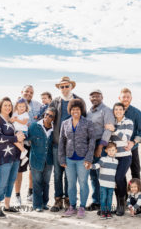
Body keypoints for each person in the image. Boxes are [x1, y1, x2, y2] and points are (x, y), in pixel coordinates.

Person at [49, 76, 86, 212]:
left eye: (66, 86)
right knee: (58, 174)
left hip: (73, 145)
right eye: (61, 86)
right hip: (57, 144)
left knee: (69, 175)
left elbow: (85, 121)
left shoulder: (79, 101)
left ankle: (69, 200)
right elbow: (48, 117)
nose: (64, 89)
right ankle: (58, 200)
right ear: (59, 88)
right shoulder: (55, 101)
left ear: (72, 87)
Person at [59, 99, 95, 219]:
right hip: (69, 159)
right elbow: (61, 142)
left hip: (83, 159)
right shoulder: (65, 123)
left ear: (81, 110)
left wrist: (89, 158)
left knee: (83, 183)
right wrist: (62, 159)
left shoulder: (88, 123)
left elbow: (92, 141)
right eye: (73, 109)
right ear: (70, 110)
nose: (75, 111)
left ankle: (82, 207)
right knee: (71, 184)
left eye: (78, 109)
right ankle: (72, 206)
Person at [0, 97, 25, 217]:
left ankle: (7, 206)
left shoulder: (10, 121)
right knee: (3, 181)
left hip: (15, 156)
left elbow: (13, 135)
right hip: (3, 156)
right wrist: (16, 138)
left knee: (11, 181)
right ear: (0, 106)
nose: (7, 107)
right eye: (5, 105)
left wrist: (19, 136)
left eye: (9, 105)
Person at [86, 89, 114, 212]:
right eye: (92, 96)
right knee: (92, 175)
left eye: (97, 96)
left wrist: (100, 147)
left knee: (101, 175)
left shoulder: (106, 110)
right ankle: (95, 201)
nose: (94, 98)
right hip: (90, 145)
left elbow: (108, 130)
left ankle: (103, 203)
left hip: (100, 145)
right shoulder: (89, 112)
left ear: (102, 97)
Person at [105, 102, 134, 216]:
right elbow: (109, 140)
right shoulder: (112, 122)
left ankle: (121, 206)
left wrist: (114, 130)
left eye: (120, 109)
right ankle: (119, 205)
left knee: (118, 178)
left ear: (124, 111)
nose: (118, 111)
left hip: (125, 157)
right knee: (116, 181)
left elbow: (126, 138)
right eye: (116, 109)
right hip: (114, 158)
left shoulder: (128, 122)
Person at [14, 85, 41, 205]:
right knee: (18, 170)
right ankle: (17, 195)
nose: (29, 94)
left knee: (33, 169)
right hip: (20, 143)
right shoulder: (14, 104)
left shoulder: (37, 105)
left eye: (31, 92)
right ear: (22, 92)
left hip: (33, 142)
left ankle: (30, 192)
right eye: (26, 91)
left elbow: (42, 118)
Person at [27, 107, 56, 212]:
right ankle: (37, 205)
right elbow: (26, 138)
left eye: (50, 116)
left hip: (49, 161)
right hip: (36, 159)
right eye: (46, 114)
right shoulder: (35, 126)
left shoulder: (54, 129)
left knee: (46, 182)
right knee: (37, 182)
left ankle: (44, 203)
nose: (47, 117)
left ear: (54, 118)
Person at [118, 88, 141, 180]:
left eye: (128, 97)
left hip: (133, 147)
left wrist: (133, 142)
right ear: (119, 98)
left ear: (131, 98)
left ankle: (137, 194)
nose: (125, 99)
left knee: (136, 171)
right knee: (119, 174)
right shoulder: (114, 112)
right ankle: (122, 195)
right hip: (118, 149)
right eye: (123, 97)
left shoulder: (137, 113)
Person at [90, 143, 118, 219]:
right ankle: (103, 212)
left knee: (109, 198)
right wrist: (90, 166)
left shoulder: (116, 162)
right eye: (109, 150)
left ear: (116, 151)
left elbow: (115, 174)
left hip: (111, 184)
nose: (111, 152)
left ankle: (108, 212)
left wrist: (115, 183)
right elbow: (97, 165)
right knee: (103, 197)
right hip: (103, 183)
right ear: (106, 151)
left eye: (113, 150)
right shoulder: (103, 159)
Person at [11, 98, 30, 167]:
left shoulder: (25, 114)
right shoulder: (15, 113)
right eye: (20, 106)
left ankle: (24, 151)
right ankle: (24, 156)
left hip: (23, 131)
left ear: (26, 107)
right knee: (19, 142)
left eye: (23, 106)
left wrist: (16, 119)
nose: (22, 108)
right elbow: (11, 121)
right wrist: (13, 119)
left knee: (15, 140)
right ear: (16, 107)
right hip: (16, 131)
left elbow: (24, 122)